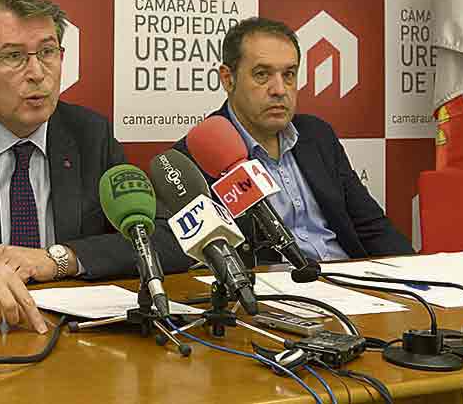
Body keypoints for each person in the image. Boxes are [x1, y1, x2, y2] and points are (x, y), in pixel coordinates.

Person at [0, 0, 191, 334]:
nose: (37, 72)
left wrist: (60, 259)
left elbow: (166, 238)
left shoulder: (90, 135)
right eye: (15, 56)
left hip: (75, 343)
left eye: (47, 52)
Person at [175, 17, 413, 265]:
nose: (279, 89)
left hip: (348, 281)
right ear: (228, 79)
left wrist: (417, 276)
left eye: (289, 74)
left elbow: (371, 227)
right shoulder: (195, 157)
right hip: (274, 293)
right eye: (262, 74)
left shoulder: (317, 136)